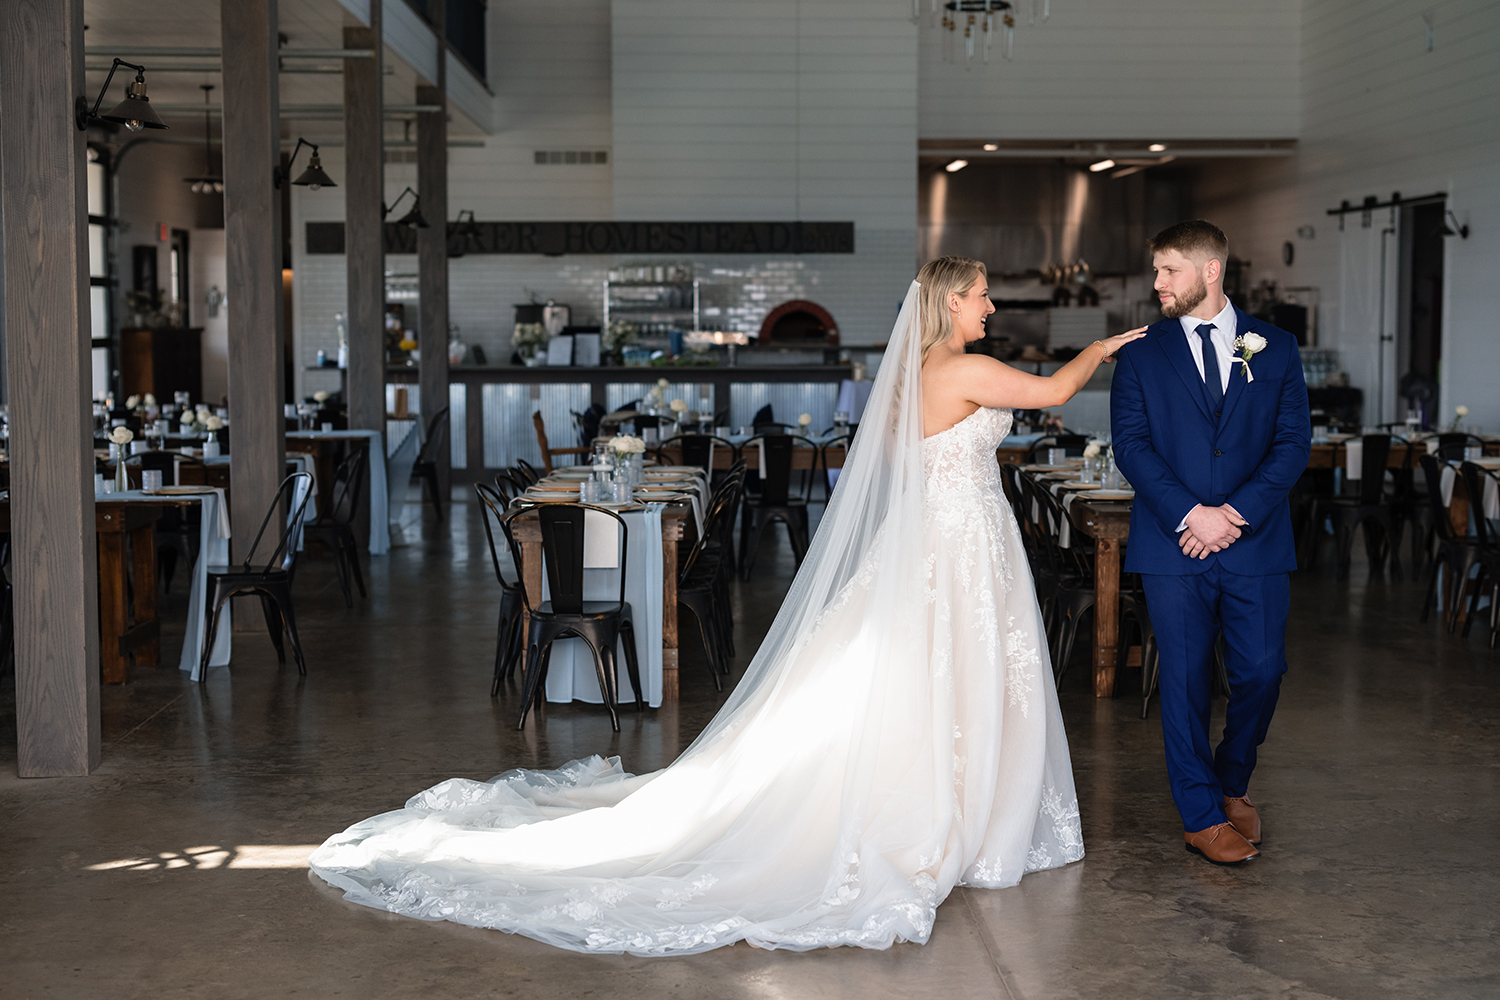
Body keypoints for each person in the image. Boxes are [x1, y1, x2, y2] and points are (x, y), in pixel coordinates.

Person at [310, 258, 1143, 955]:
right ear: (951, 303)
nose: (993, 304)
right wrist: (1105, 345)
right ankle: (955, 812)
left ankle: (952, 801)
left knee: (928, 676)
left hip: (947, 542)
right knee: (952, 673)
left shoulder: (919, 376)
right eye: (983, 293)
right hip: (961, 545)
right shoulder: (961, 368)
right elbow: (1055, 394)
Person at [1110, 220, 1311, 866]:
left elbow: (1292, 446)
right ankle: (1201, 815)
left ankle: (1232, 777)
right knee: (1187, 682)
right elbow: (1132, 447)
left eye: (1169, 270)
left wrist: (1234, 515)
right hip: (1174, 547)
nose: (1158, 283)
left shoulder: (1275, 347)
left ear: (1211, 271)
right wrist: (1193, 515)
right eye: (1157, 270)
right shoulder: (1141, 353)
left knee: (1262, 672)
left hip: (1254, 545)